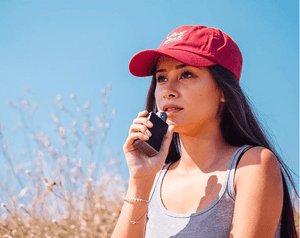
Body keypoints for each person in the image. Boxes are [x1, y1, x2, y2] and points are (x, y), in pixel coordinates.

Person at [112, 25, 298, 237]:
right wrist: (140, 181)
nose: (168, 91)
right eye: (161, 78)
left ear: (223, 90)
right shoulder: (153, 180)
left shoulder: (252, 165)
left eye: (187, 74)